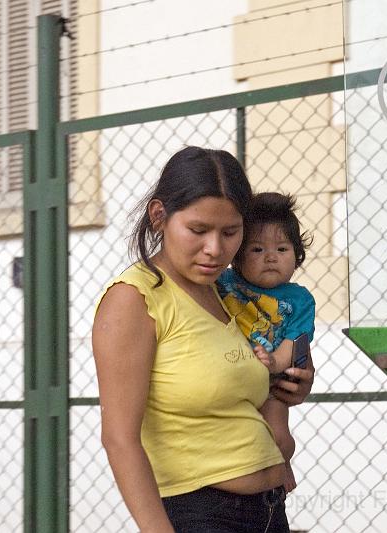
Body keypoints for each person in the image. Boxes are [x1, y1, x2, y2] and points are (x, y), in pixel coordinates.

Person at [92, 146, 315, 533]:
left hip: (269, 511)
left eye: (231, 232)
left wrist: (286, 386)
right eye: (198, 230)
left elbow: (228, 387)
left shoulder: (225, 291)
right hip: (200, 515)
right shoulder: (135, 299)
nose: (215, 249)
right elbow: (119, 439)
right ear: (159, 216)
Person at [216, 192, 316, 493]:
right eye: (257, 249)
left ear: (297, 256)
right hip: (231, 379)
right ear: (237, 255)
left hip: (270, 381)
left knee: (279, 438)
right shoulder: (223, 283)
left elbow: (293, 343)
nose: (271, 257)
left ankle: (281, 467)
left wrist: (273, 363)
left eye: (282, 249)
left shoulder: (300, 300)